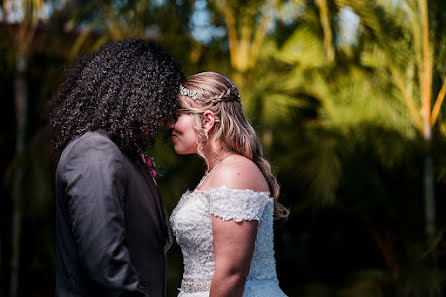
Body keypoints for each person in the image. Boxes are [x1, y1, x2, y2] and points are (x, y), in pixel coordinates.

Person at [51, 38, 184, 297]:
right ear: (137, 97)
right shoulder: (95, 152)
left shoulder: (124, 153)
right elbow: (106, 263)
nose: (167, 121)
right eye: (162, 105)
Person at [169, 72, 289, 297]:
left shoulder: (236, 172)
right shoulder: (217, 172)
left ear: (207, 120)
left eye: (177, 116)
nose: (170, 125)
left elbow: (232, 275)